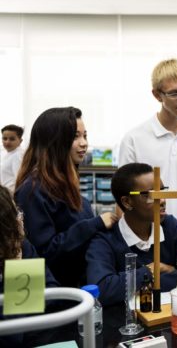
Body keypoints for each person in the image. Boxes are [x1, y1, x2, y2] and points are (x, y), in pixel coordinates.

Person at [15, 107, 118, 287]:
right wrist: (96, 224)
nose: (83, 143)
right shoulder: (32, 191)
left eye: (85, 136)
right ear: (54, 141)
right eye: (75, 137)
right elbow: (43, 252)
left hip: (80, 288)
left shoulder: (66, 184)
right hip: (57, 296)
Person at [118, 58, 177, 254]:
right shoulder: (134, 139)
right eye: (175, 93)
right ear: (157, 95)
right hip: (154, 245)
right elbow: (123, 199)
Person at [86, 163, 177, 306]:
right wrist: (152, 271)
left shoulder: (170, 226)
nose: (162, 200)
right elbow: (103, 290)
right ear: (127, 202)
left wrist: (138, 285)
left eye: (162, 191)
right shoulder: (105, 240)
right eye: (151, 195)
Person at [0, 185, 59, 346]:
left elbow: (52, 292)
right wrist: (16, 269)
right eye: (15, 214)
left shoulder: (19, 245)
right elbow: (12, 335)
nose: (21, 218)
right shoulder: (15, 251)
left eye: (18, 210)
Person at [1, 124, 25, 193]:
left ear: (20, 141)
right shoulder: (8, 153)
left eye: (12, 139)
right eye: (4, 138)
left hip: (12, 195)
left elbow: (20, 179)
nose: (7, 142)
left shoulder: (18, 155)